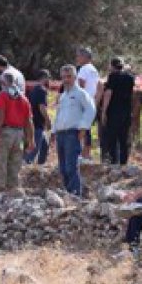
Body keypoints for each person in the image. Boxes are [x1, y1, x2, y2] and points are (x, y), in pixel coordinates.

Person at [53, 65, 95, 197]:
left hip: (72, 133)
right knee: (63, 168)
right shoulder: (63, 96)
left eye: (69, 76)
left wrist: (83, 127)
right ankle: (68, 194)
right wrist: (54, 132)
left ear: (75, 77)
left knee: (71, 166)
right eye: (64, 77)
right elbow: (59, 114)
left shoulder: (81, 93)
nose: (66, 79)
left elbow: (90, 109)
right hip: (61, 134)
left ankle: (76, 195)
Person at [0, 71, 35, 193]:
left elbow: (1, 114)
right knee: (16, 162)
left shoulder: (3, 95)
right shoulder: (24, 98)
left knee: (0, 161)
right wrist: (31, 140)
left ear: (3, 82)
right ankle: (13, 190)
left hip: (6, 133)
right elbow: (29, 121)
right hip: (20, 136)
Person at [99, 57, 135, 165]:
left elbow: (108, 93)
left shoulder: (113, 76)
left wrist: (104, 111)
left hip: (114, 111)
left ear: (112, 66)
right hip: (126, 111)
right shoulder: (130, 77)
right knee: (124, 138)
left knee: (113, 138)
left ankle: (114, 162)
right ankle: (124, 162)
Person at [75, 48, 100, 162]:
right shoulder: (94, 69)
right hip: (91, 101)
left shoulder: (84, 69)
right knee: (87, 128)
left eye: (79, 56)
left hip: (82, 102)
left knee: (82, 128)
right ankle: (87, 154)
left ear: (85, 57)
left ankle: (83, 155)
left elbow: (81, 84)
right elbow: (98, 86)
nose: (77, 58)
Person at [24, 69, 52, 165]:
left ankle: (41, 165)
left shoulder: (33, 90)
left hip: (32, 122)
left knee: (45, 145)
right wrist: (48, 120)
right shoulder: (41, 90)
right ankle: (26, 164)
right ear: (45, 78)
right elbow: (42, 107)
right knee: (34, 149)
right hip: (37, 123)